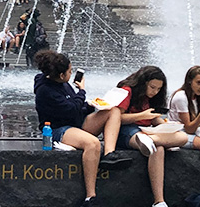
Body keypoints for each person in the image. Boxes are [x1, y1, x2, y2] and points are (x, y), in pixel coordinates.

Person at [32, 50, 127, 207]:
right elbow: (71, 109)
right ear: (61, 75)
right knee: (93, 144)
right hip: (57, 129)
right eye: (70, 71)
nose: (71, 74)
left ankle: (110, 154)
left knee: (113, 111)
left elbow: (75, 108)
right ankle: (90, 197)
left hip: (75, 122)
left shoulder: (61, 83)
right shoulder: (46, 90)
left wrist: (93, 105)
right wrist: (82, 91)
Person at [114, 65, 188, 207]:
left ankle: (151, 139)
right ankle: (159, 200)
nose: (155, 92)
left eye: (159, 89)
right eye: (152, 87)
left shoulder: (151, 98)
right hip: (127, 131)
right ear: (143, 83)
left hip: (148, 132)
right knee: (157, 148)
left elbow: (153, 118)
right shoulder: (128, 91)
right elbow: (117, 118)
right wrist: (142, 116)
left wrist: (164, 125)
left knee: (182, 138)